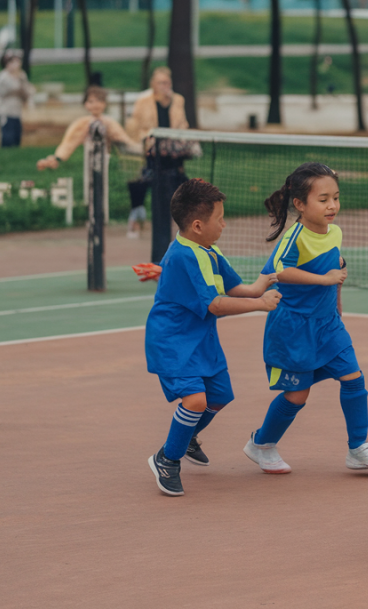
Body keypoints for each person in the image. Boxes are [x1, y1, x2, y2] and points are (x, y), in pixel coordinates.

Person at [244, 163, 368, 475]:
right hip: (294, 328)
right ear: (300, 204)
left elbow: (334, 268)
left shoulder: (334, 231)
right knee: (297, 396)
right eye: (323, 199)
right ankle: (261, 444)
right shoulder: (294, 237)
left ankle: (358, 448)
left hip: (327, 324)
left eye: (336, 198)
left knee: (354, 378)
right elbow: (280, 271)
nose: (332, 206)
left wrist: (336, 292)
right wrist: (324, 279)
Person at [145, 178, 281, 496]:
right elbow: (216, 304)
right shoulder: (186, 256)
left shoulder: (208, 249)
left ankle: (186, 435)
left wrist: (264, 283)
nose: (224, 223)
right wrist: (259, 305)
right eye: (219, 219)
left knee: (219, 396)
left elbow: (236, 288)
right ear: (196, 225)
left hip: (201, 338)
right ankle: (167, 458)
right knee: (195, 400)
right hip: (174, 342)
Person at [127, 67, 191, 257]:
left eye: (168, 82)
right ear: (153, 85)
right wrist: (148, 140)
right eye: (161, 83)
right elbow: (134, 128)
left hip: (175, 161)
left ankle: (184, 253)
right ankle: (159, 257)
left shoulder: (178, 100)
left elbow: (183, 125)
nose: (165, 86)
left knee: (185, 206)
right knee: (160, 210)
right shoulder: (143, 102)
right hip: (154, 163)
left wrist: (182, 140)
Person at [36, 86, 142, 170]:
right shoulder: (81, 123)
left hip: (107, 159)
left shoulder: (109, 122)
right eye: (91, 102)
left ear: (105, 103)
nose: (95, 105)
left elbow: (124, 141)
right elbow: (68, 143)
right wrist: (58, 158)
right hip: (88, 159)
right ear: (85, 104)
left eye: (99, 101)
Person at [0, 51, 34, 148]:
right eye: (14, 62)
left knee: (16, 140)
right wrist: (18, 81)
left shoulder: (22, 76)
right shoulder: (3, 76)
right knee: (7, 140)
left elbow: (27, 92)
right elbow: (8, 89)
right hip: (5, 112)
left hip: (17, 112)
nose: (17, 64)